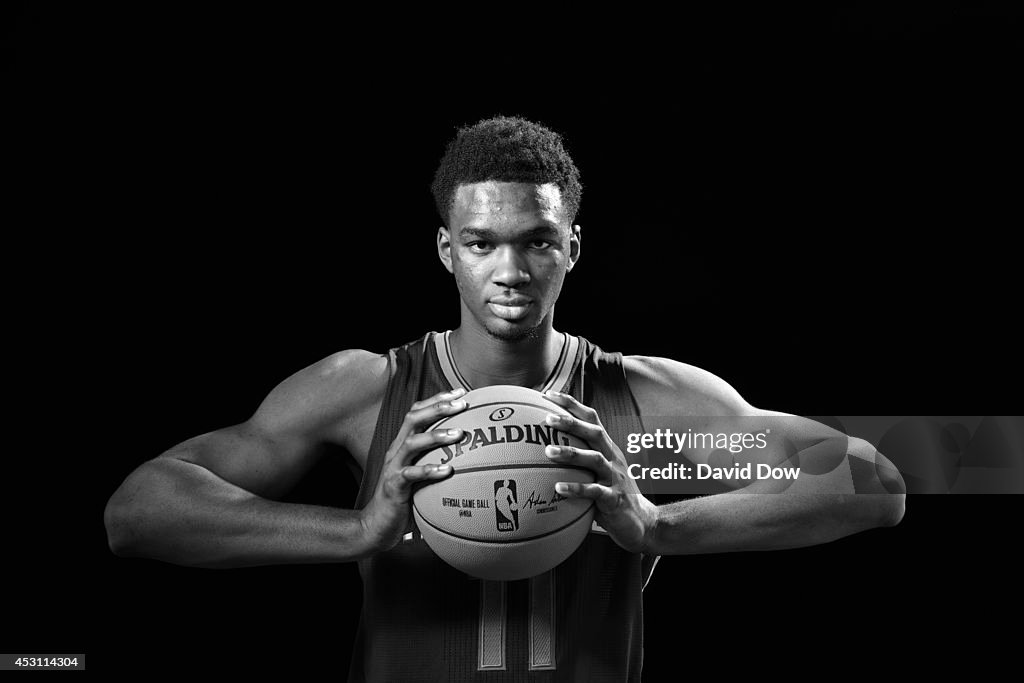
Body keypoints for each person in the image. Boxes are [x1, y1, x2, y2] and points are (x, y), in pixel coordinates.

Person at [104, 116, 906, 681]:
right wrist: (357, 528)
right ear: (448, 250)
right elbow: (138, 513)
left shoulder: (645, 405)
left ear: (573, 248)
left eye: (537, 241)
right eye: (483, 244)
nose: (511, 271)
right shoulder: (366, 391)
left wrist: (658, 522)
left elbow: (872, 481)